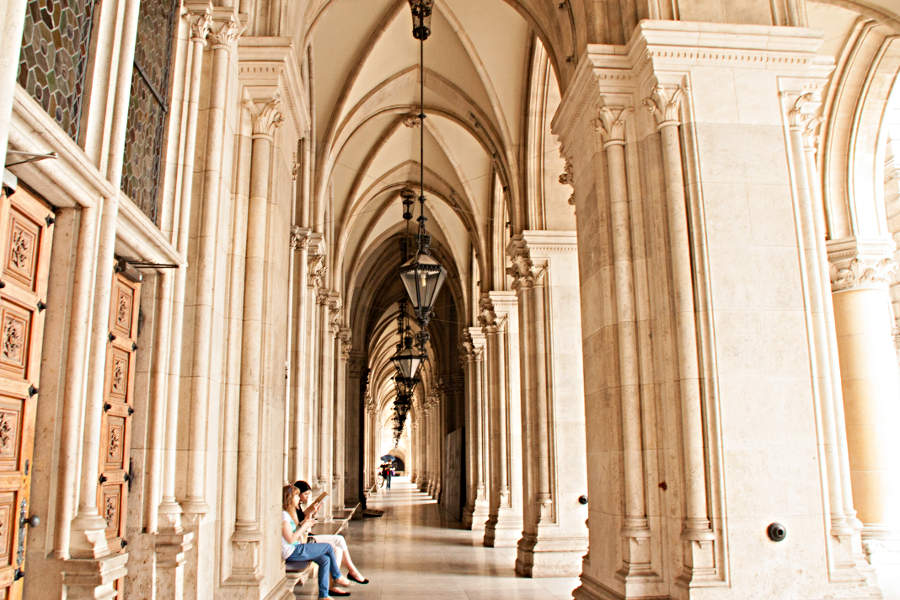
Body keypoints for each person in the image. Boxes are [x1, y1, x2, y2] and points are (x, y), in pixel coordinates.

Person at [281, 485, 353, 598]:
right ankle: (337, 576)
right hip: (292, 551)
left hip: (296, 548)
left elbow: (295, 530)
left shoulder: (289, 514)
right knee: (328, 547)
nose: (299, 499)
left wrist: (307, 520)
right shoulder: (284, 516)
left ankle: (323, 595)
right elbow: (290, 539)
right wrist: (304, 527)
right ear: (289, 498)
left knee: (325, 559)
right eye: (296, 496)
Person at [294, 481, 369, 584]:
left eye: (308, 494)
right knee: (339, 540)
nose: (307, 497)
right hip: (303, 539)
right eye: (305, 494)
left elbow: (303, 520)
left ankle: (333, 583)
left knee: (338, 549)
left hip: (305, 536)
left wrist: (312, 512)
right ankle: (349, 572)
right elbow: (301, 525)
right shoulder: (291, 508)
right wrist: (310, 514)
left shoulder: (297, 505)